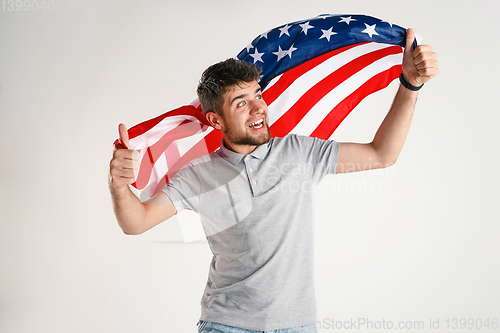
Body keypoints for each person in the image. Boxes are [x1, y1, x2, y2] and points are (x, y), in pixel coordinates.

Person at [108, 28, 438, 332]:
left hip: (297, 325)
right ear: (215, 120)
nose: (258, 109)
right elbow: (137, 223)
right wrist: (119, 186)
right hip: (225, 325)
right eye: (241, 103)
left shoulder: (297, 151)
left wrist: (410, 85)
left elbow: (382, 154)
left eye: (257, 96)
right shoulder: (197, 174)